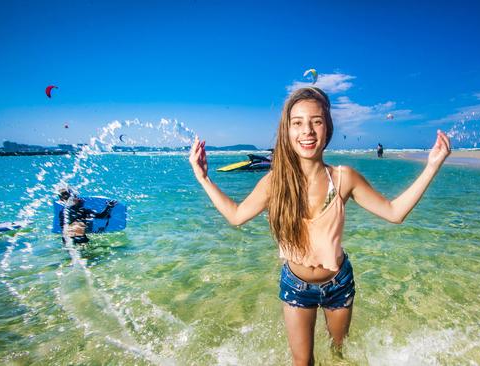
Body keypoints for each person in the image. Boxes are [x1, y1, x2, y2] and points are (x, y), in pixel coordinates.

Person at [188, 87, 450, 365]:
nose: (307, 131)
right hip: (296, 286)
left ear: (328, 128)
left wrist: (432, 166)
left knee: (339, 354)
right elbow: (236, 215)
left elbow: (394, 212)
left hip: (338, 283)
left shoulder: (343, 178)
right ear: (287, 131)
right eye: (298, 123)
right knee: (302, 362)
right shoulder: (274, 183)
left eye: (316, 121)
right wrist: (204, 178)